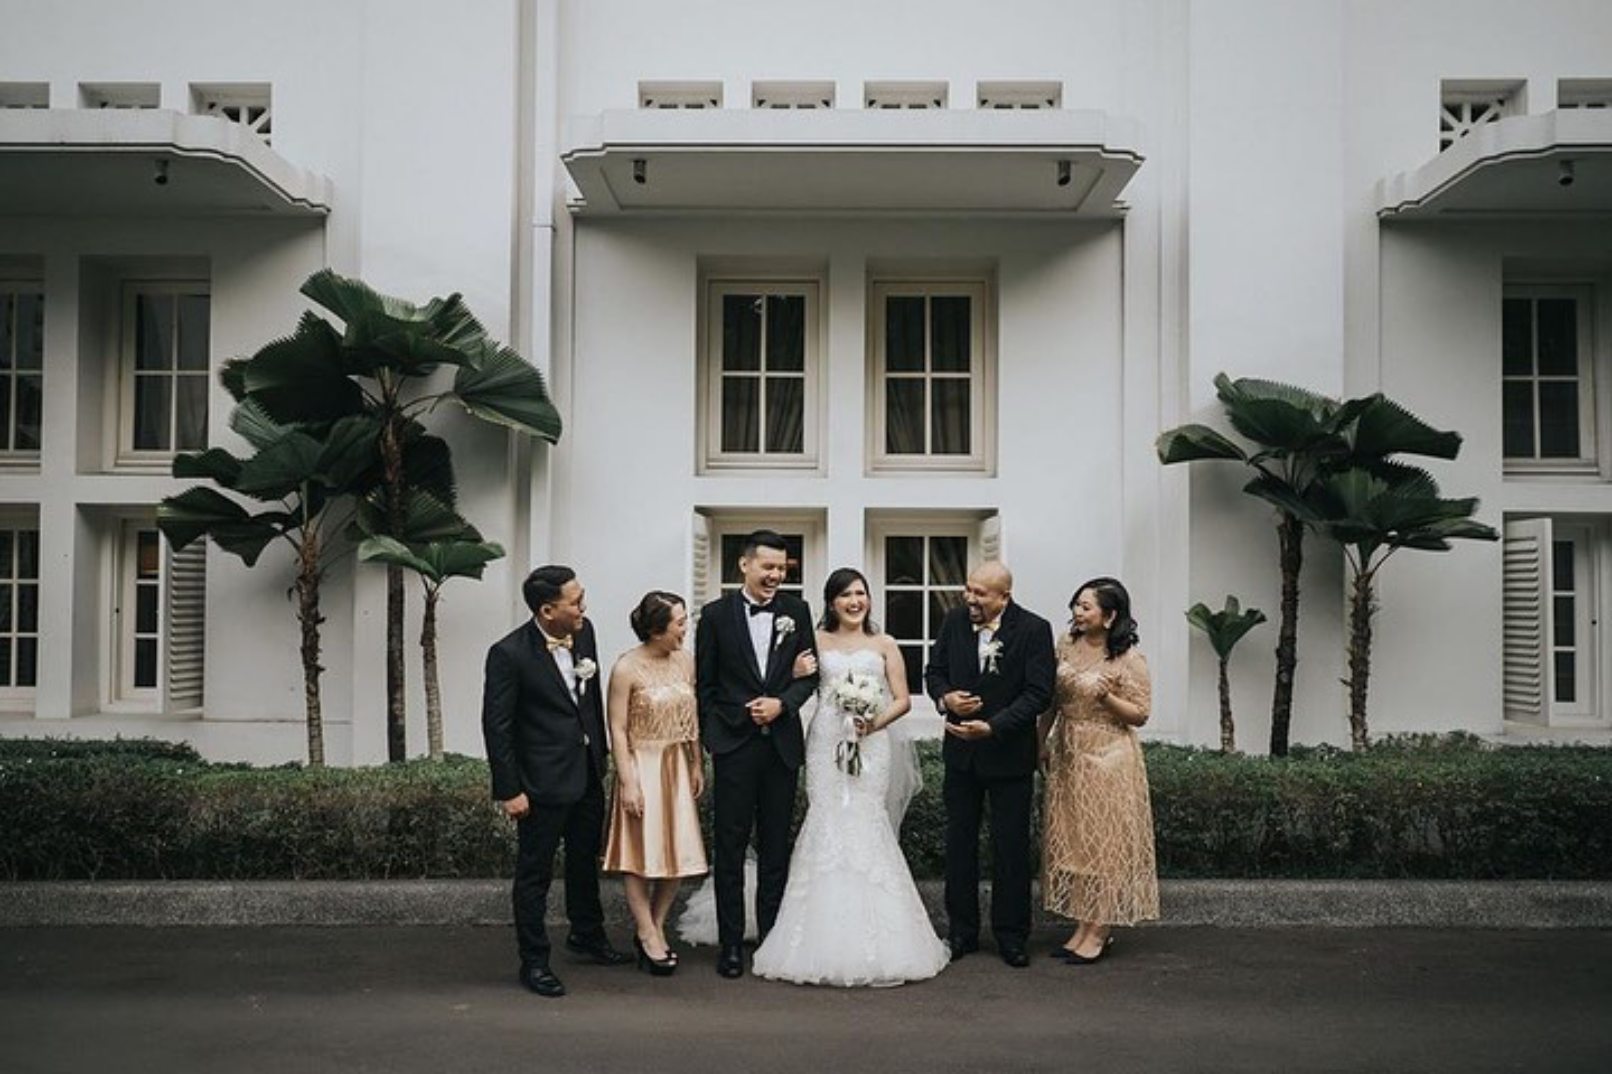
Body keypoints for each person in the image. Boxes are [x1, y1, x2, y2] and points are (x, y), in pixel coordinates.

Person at [752, 567, 950, 987]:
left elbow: (902, 699)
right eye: (846, 595)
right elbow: (791, 682)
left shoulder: (885, 644)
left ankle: (885, 939)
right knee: (825, 817)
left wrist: (872, 723)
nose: (855, 601)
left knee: (865, 819)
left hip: (870, 742)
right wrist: (797, 673)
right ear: (831, 602)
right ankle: (810, 937)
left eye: (861, 593)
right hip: (826, 740)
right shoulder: (814, 642)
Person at [481, 565, 631, 999]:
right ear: (548, 610)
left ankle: (587, 935)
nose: (584, 607)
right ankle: (535, 961)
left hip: (586, 772)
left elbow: (588, 702)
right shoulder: (508, 654)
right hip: (540, 782)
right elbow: (497, 726)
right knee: (535, 874)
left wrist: (599, 756)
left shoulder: (585, 634)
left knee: (585, 861)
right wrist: (509, 790)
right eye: (576, 601)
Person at [695, 529, 819, 979]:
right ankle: (731, 944)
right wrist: (715, 736)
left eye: (781, 569)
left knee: (774, 849)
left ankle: (770, 939)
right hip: (734, 746)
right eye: (767, 567)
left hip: (781, 748)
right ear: (743, 565)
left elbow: (810, 675)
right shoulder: (713, 616)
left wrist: (782, 703)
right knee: (728, 847)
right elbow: (704, 687)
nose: (775, 576)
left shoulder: (797, 611)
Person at [924, 561, 1055, 968]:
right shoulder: (953, 622)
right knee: (959, 846)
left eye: (980, 593)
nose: (970, 599)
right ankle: (962, 932)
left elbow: (1038, 694)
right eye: (969, 590)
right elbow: (934, 672)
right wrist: (946, 699)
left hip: (1009, 757)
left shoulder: (1034, 629)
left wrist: (993, 726)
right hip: (960, 757)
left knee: (1010, 849)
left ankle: (1011, 935)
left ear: (1004, 596)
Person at [1039, 576, 1159, 964]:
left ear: (1110, 617)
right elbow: (1052, 702)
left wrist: (1106, 695)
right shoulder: (1065, 645)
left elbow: (1140, 714)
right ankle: (1082, 925)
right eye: (1076, 604)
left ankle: (1100, 929)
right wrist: (1040, 741)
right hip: (1069, 750)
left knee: (1105, 847)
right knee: (1076, 844)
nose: (1077, 611)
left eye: (1086, 606)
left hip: (1109, 755)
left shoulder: (1128, 659)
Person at [601, 591, 707, 976]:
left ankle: (656, 925)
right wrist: (628, 781)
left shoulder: (685, 661)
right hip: (641, 764)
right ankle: (645, 932)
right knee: (638, 855)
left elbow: (692, 715)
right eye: (679, 623)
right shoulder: (626, 668)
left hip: (676, 763)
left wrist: (696, 763)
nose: (685, 629)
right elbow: (617, 727)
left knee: (678, 852)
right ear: (657, 629)